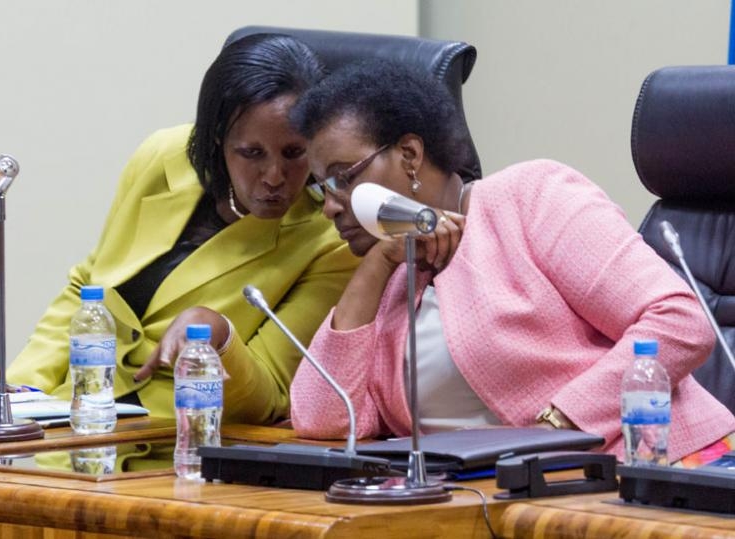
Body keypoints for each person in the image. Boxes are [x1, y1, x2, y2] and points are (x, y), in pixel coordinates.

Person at [288, 59, 735, 464]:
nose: (330, 206)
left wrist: (559, 425)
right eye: (321, 187)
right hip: (495, 504)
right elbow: (322, 420)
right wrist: (377, 265)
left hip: (656, 474)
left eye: (343, 178)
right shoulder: (390, 276)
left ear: (410, 155)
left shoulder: (530, 198)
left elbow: (678, 320)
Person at [0, 34, 358, 424]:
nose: (274, 176)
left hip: (172, 442)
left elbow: (269, 398)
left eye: (294, 154)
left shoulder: (330, 240)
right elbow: (88, 288)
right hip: (76, 421)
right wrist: (20, 388)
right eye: (251, 153)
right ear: (217, 139)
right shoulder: (163, 158)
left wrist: (218, 334)